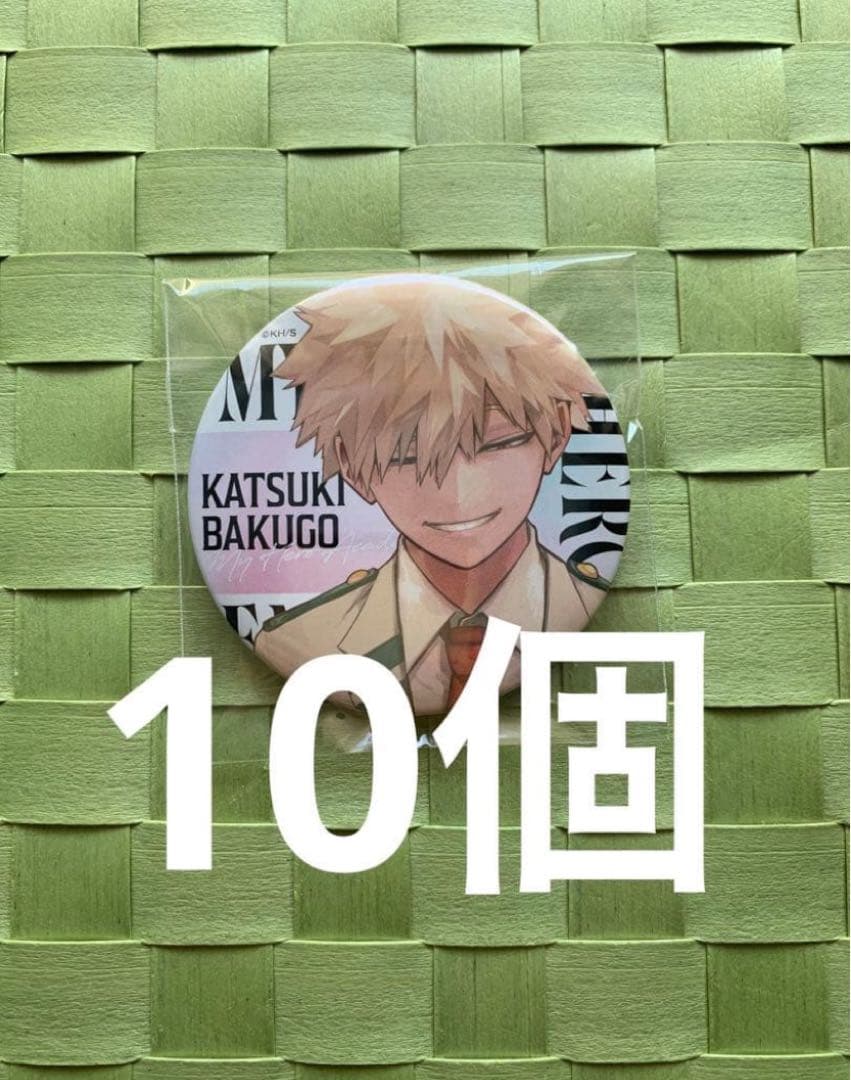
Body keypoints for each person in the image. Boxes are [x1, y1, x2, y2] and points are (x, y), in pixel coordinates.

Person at [253, 275, 609, 715]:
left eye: (500, 442)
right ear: (351, 467)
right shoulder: (298, 641)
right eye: (405, 457)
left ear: (556, 434)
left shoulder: (594, 612)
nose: (459, 492)